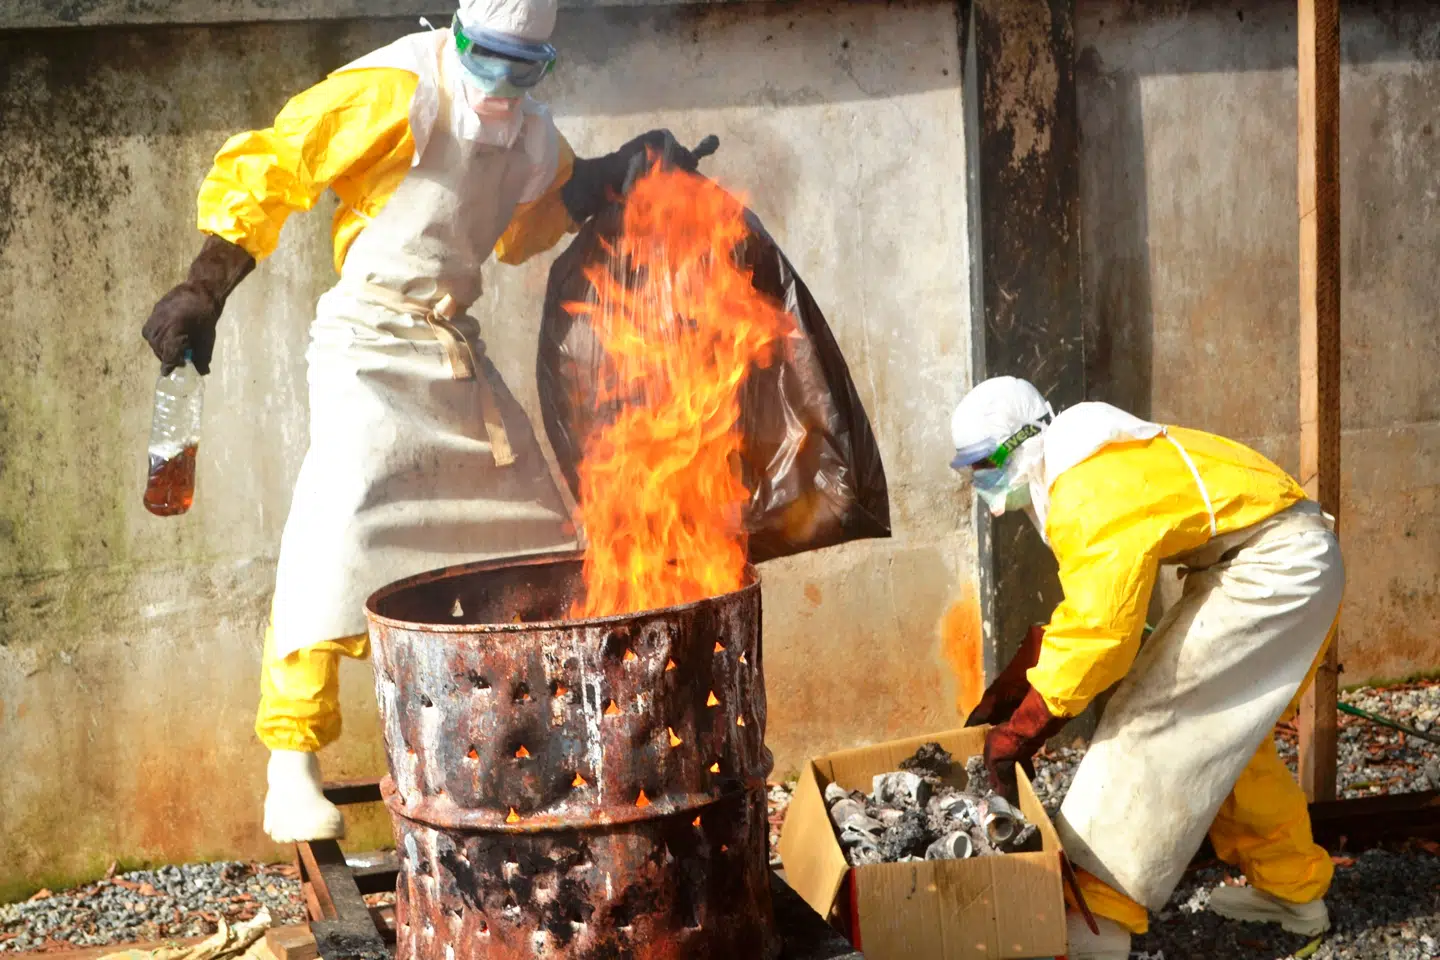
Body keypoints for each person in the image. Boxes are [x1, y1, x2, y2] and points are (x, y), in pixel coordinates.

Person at [141, 0, 716, 844]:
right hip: (368, 341)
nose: (503, 85)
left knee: (541, 538)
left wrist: (614, 174)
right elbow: (278, 164)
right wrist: (204, 285)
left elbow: (522, 234)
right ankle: (289, 766)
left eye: (526, 68)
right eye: (490, 60)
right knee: (337, 527)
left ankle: (530, 744)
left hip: (453, 347)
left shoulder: (531, 138)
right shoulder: (396, 91)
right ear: (456, 34)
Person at [950, 377, 1344, 960]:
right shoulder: (1083, 458)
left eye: (983, 465)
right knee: (1226, 739)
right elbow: (1091, 609)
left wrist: (1024, 725)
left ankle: (1099, 922)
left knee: (1148, 722)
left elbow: (1102, 632)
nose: (981, 482)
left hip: (1271, 572)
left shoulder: (1085, 485)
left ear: (1020, 443)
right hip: (1284, 560)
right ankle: (1293, 894)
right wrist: (1023, 683)